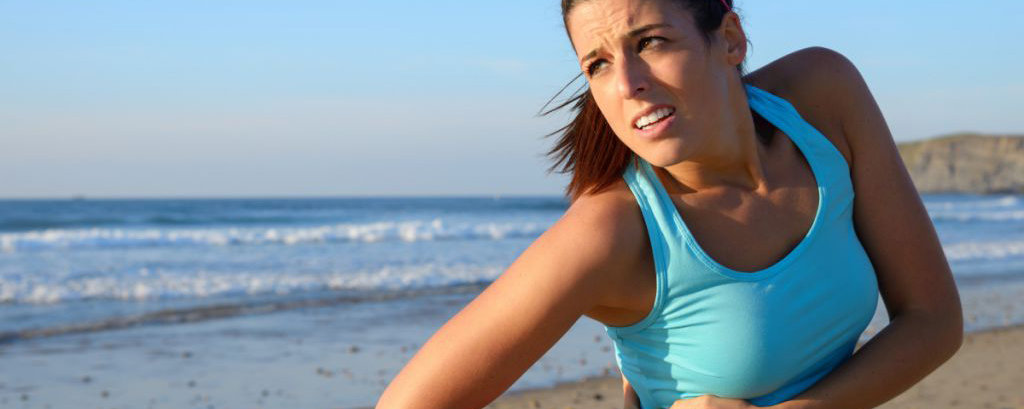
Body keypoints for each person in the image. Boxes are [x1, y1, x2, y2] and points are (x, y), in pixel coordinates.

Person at [376, 0, 963, 408]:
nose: (626, 83)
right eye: (597, 64)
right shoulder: (610, 232)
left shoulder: (822, 98)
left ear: (729, 39)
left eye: (650, 42)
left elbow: (934, 320)